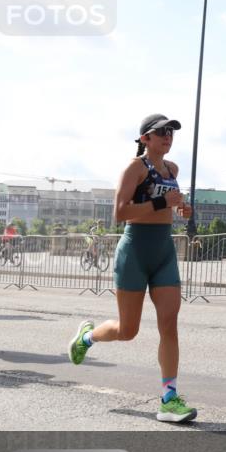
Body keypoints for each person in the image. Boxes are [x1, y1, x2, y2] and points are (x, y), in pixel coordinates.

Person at [67, 113, 197, 423]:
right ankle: (86, 338)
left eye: (171, 132)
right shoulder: (134, 168)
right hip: (134, 252)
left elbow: (169, 203)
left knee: (169, 324)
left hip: (164, 251)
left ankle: (169, 399)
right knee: (128, 331)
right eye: (161, 132)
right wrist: (162, 204)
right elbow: (120, 212)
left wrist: (181, 208)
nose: (168, 136)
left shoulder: (172, 169)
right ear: (144, 139)